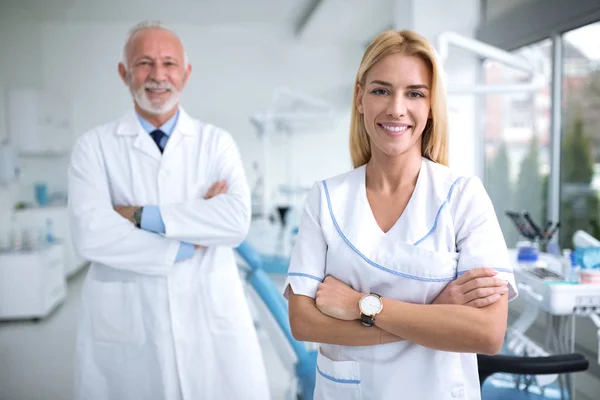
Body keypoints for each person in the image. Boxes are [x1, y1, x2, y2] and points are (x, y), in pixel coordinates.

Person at [285, 29, 518, 400]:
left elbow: (487, 333)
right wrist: (435, 314)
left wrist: (359, 306)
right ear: (359, 99)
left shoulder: (462, 196)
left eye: (414, 93)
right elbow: (303, 321)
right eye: (381, 90)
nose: (396, 108)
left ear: (430, 106)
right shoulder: (326, 198)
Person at [68, 20, 270, 400]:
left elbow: (234, 222)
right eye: (144, 63)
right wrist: (186, 243)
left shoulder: (216, 143)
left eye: (169, 63)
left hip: (210, 316)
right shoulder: (93, 147)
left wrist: (137, 216)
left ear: (186, 73)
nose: (158, 76)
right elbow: (91, 235)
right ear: (123, 73)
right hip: (130, 324)